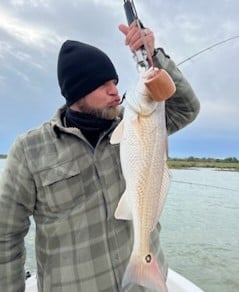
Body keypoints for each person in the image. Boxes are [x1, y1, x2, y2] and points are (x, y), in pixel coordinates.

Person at [0, 21, 200, 292]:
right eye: (102, 84)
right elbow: (5, 234)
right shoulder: (29, 150)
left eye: (115, 82)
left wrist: (154, 56)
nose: (115, 91)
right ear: (77, 92)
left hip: (146, 282)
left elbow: (186, 109)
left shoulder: (132, 126)